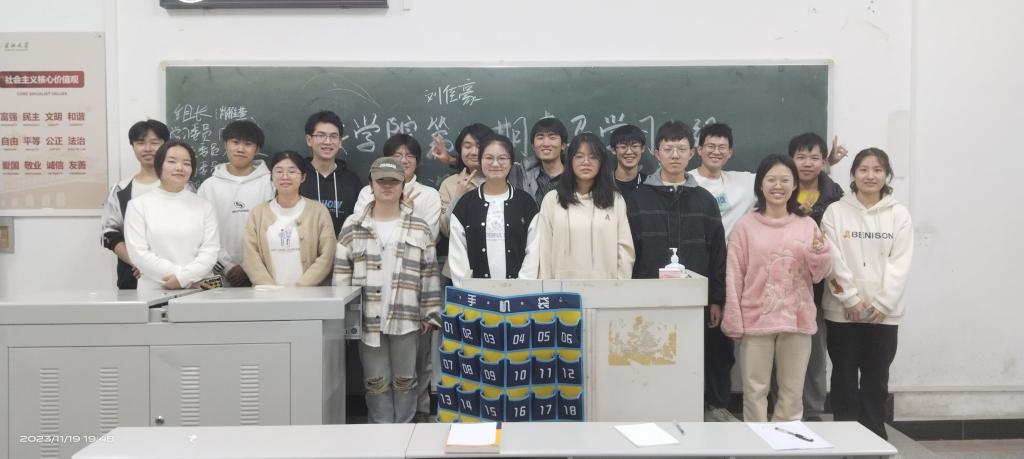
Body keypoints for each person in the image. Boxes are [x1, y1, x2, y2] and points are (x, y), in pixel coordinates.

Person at [625, 120, 731, 421]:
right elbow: (628, 253)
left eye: (681, 149)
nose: (675, 155)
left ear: (692, 153)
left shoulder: (705, 200)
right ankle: (651, 411)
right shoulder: (637, 199)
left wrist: (716, 299)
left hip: (695, 302)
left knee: (695, 357)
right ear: (656, 153)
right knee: (651, 356)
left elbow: (717, 253)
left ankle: (702, 411)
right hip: (648, 299)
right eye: (668, 148)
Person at [721, 154, 832, 422]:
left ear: (794, 185)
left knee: (792, 393)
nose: (778, 186)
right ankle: (756, 441)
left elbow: (819, 275)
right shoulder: (745, 226)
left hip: (797, 319)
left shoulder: (807, 224)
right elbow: (734, 275)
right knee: (755, 390)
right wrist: (733, 319)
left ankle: (786, 439)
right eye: (771, 180)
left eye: (785, 180)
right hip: (756, 319)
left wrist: (820, 253)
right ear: (760, 184)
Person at [334, 157, 441, 424]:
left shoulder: (419, 226)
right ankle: (380, 432)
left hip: (408, 317)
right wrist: (345, 318)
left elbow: (429, 272)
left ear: (403, 185)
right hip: (367, 319)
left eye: (394, 181)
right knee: (375, 382)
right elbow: (341, 274)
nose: (387, 186)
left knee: (406, 380)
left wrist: (429, 313)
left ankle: (404, 430)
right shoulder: (353, 225)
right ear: (371, 184)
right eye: (381, 181)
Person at [822, 148, 913, 439]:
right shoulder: (835, 212)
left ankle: (874, 438)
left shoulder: (899, 215)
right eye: (863, 169)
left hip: (882, 315)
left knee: (877, 379)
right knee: (844, 378)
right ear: (853, 174)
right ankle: (845, 438)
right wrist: (849, 299)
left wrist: (884, 303)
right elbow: (832, 259)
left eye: (877, 170)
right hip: (842, 312)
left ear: (887, 175)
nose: (870, 175)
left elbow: (900, 264)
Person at [788, 132, 846, 421]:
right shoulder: (781, 189)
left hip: (819, 286)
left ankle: (812, 409)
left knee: (814, 350)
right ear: (790, 160)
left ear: (824, 161)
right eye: (801, 157)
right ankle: (783, 407)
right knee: (783, 348)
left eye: (814, 157)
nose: (807, 163)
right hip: (785, 283)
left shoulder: (835, 196)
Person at [534, 132, 634, 280]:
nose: (586, 162)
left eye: (593, 157)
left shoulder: (615, 200)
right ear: (570, 161)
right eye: (579, 156)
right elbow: (544, 250)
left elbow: (625, 250)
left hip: (606, 288)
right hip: (561, 289)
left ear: (601, 162)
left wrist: (620, 285)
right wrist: (547, 288)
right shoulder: (552, 200)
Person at [125, 141, 220, 291]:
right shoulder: (137, 205)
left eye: (186, 163)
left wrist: (182, 279)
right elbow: (139, 254)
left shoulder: (205, 206)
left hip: (200, 291)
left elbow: (210, 251)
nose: (179, 168)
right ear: (159, 165)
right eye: (172, 161)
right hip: (157, 290)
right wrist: (184, 278)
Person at [449, 134, 539, 282]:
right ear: (480, 161)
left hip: (520, 292)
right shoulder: (466, 204)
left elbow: (534, 250)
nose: (495, 164)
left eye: (502, 158)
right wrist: (467, 289)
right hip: (474, 293)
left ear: (511, 162)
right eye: (489, 158)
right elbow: (457, 254)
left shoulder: (525, 203)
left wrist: (522, 287)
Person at [197, 119, 275, 287]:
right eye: (235, 142)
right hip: (218, 276)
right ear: (226, 145)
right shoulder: (208, 187)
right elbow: (200, 234)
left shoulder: (270, 184)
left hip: (264, 274)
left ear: (257, 149)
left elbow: (276, 230)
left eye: (248, 144)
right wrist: (227, 267)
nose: (240, 149)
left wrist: (248, 267)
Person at [242, 151, 336, 286]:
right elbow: (250, 257)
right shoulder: (257, 214)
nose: (285, 176)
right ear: (271, 177)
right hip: (267, 295)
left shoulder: (318, 212)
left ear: (303, 177)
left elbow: (327, 255)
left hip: (310, 294)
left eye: (292, 171)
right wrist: (270, 289)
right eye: (279, 171)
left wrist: (300, 288)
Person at [101, 119, 170, 289]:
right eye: (140, 143)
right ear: (132, 146)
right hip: (132, 277)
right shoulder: (120, 190)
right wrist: (140, 263)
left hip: (174, 275)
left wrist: (157, 266)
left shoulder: (182, 187)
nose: (147, 148)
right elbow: (110, 235)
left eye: (155, 142)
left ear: (166, 145)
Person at [353, 134, 442, 241]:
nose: (403, 160)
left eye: (410, 156)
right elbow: (359, 233)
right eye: (397, 155)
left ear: (417, 161)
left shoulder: (430, 195)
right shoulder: (368, 192)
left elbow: (429, 238)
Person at [299, 110, 363, 237]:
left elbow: (360, 220)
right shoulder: (297, 177)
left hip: (342, 248)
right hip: (303, 248)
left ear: (340, 142)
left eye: (333, 136)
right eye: (321, 135)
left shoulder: (352, 181)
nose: (328, 142)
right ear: (309, 140)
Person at [689, 123, 756, 236]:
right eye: (711, 146)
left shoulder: (744, 182)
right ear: (699, 150)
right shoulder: (685, 182)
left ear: (730, 152)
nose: (716, 152)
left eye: (722, 147)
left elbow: (777, 179)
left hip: (730, 247)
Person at [608, 124, 649, 197]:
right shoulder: (604, 183)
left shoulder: (650, 185)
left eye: (634, 146)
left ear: (642, 149)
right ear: (613, 150)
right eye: (623, 147)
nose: (629, 152)